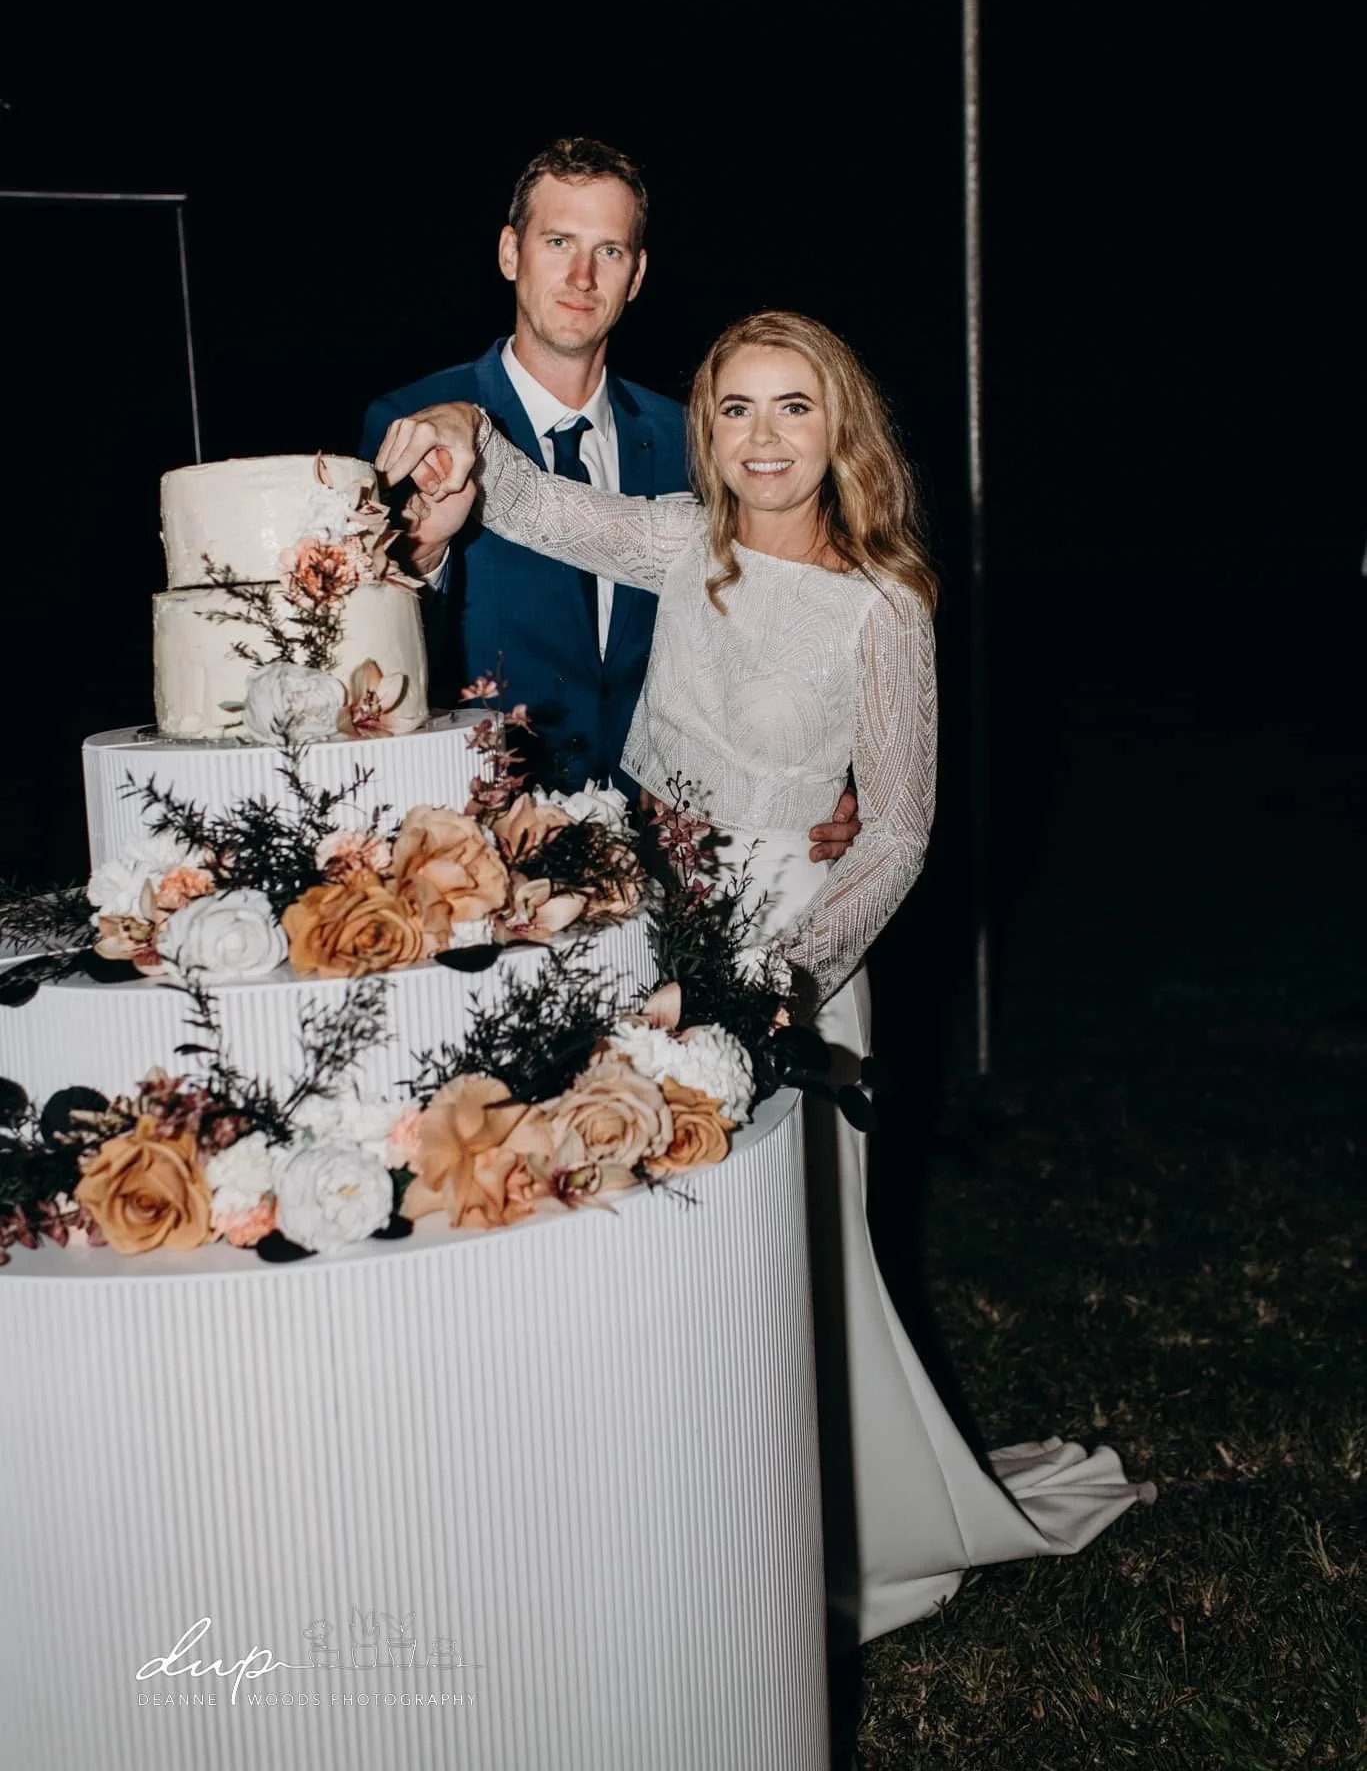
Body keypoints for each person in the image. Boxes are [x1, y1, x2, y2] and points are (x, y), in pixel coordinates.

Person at [375, 308, 1153, 1647]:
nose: (763, 436)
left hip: (791, 951)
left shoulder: (883, 605)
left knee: (785, 1251)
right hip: (644, 924)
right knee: (648, 1231)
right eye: (735, 407)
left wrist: (770, 985)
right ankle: (682, 1506)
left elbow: (894, 833)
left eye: (792, 406)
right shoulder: (684, 541)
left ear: (839, 426)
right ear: (707, 431)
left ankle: (810, 1519)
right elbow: (534, 503)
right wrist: (457, 426)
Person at [360, 136, 859, 863]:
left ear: (637, 275)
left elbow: (770, 626)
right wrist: (423, 551)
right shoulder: (413, 423)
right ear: (510, 253)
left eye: (609, 251)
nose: (581, 276)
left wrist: (818, 782)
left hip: (670, 848)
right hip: (479, 837)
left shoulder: (697, 439)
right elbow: (371, 655)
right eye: (558, 241)